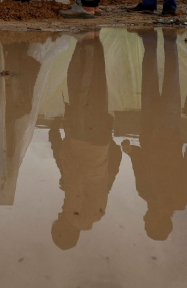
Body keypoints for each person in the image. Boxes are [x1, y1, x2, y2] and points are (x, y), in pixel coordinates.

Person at [122, 29, 187, 241]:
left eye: (145, 219)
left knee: (148, 77)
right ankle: (170, 38)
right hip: (170, 129)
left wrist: (130, 151)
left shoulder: (144, 193)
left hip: (148, 129)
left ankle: (149, 40)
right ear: (160, 221)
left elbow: (139, 164)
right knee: (171, 77)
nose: (146, 215)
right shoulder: (180, 198)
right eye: (149, 220)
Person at [48, 32, 122, 249]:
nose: (59, 214)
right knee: (81, 81)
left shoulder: (98, 208)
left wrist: (109, 143)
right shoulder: (75, 212)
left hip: (100, 140)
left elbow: (114, 168)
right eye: (58, 222)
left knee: (97, 88)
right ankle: (88, 41)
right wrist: (57, 134)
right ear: (64, 228)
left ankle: (93, 43)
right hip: (82, 136)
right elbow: (72, 170)